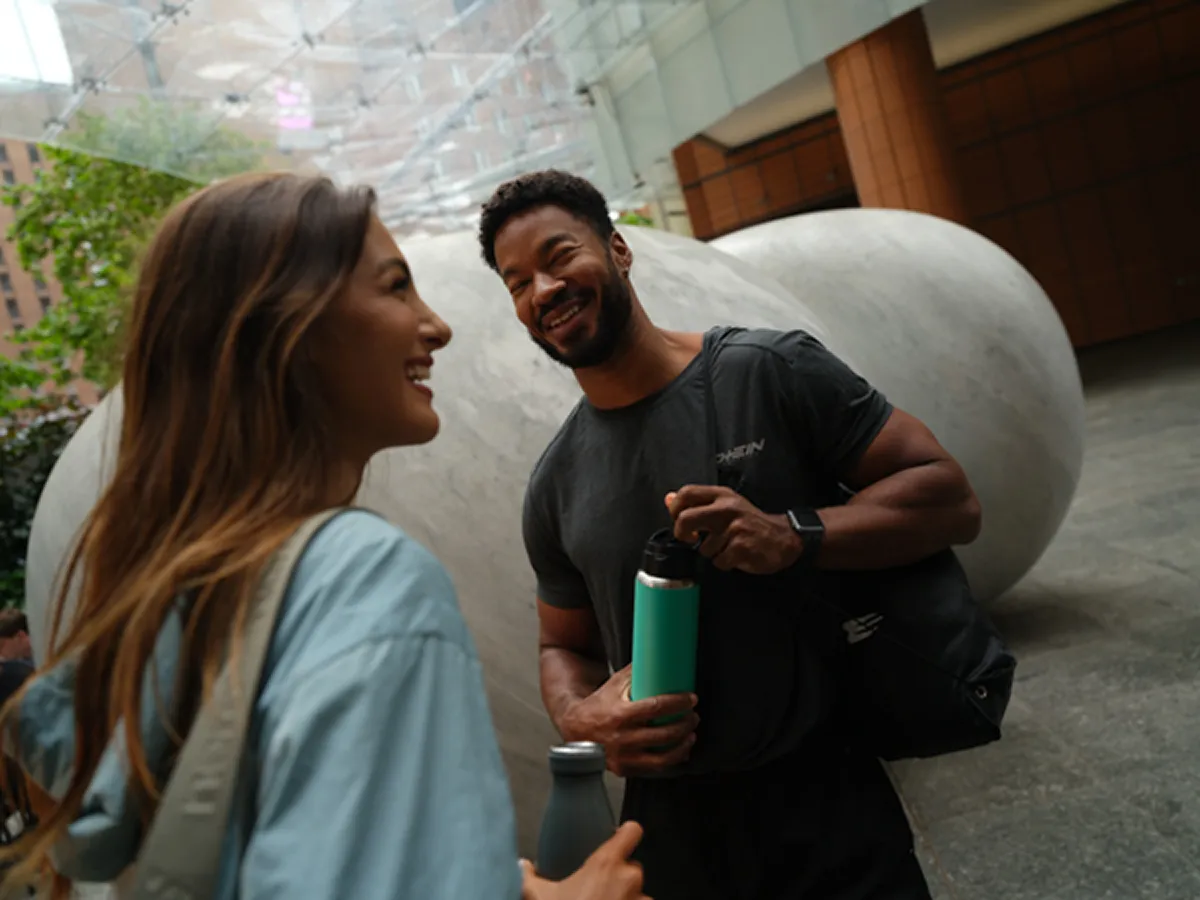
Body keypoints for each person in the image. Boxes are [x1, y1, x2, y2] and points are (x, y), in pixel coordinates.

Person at [0, 173, 649, 900]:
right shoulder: (364, 582)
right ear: (291, 328)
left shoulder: (182, 589)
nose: (437, 326)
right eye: (396, 287)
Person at [477, 170, 984, 900]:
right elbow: (564, 644)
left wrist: (793, 534)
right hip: (669, 825)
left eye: (560, 257)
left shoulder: (766, 372)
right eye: (518, 282)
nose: (544, 290)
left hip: (826, 792)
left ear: (619, 249)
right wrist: (578, 714)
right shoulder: (554, 481)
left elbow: (950, 496)